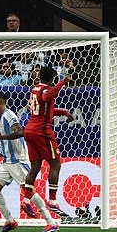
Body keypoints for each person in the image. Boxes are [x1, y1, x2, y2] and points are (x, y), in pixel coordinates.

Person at [0, 92, 59, 232]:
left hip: (17, 160)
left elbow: (20, 132)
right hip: (7, 162)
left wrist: (1, 137)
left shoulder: (9, 115)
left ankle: (51, 222)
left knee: (28, 190)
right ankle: (10, 221)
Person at [21, 66, 74, 220]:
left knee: (36, 166)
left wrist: (63, 112)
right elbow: (47, 97)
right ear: (53, 78)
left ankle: (25, 201)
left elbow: (44, 108)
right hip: (41, 132)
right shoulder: (45, 90)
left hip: (30, 130)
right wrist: (63, 82)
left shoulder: (34, 88)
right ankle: (52, 201)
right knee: (56, 164)